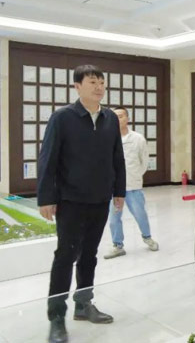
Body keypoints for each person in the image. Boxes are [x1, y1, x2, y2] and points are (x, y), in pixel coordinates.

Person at [37, 65, 126, 343]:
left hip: (100, 199)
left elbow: (117, 157)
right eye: (92, 82)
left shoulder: (110, 118)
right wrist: (46, 197)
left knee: (89, 255)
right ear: (77, 86)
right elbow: (48, 158)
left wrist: (119, 190)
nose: (99, 87)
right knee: (66, 256)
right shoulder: (62, 118)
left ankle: (83, 304)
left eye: (102, 82)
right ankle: (56, 317)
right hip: (71, 200)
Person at [104, 106, 159, 259]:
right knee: (114, 218)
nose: (118, 119)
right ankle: (118, 245)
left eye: (121, 116)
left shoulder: (137, 138)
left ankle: (147, 237)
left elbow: (144, 161)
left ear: (128, 118)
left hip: (133, 185)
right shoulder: (107, 138)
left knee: (140, 214)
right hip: (114, 188)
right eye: (115, 116)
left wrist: (135, 176)